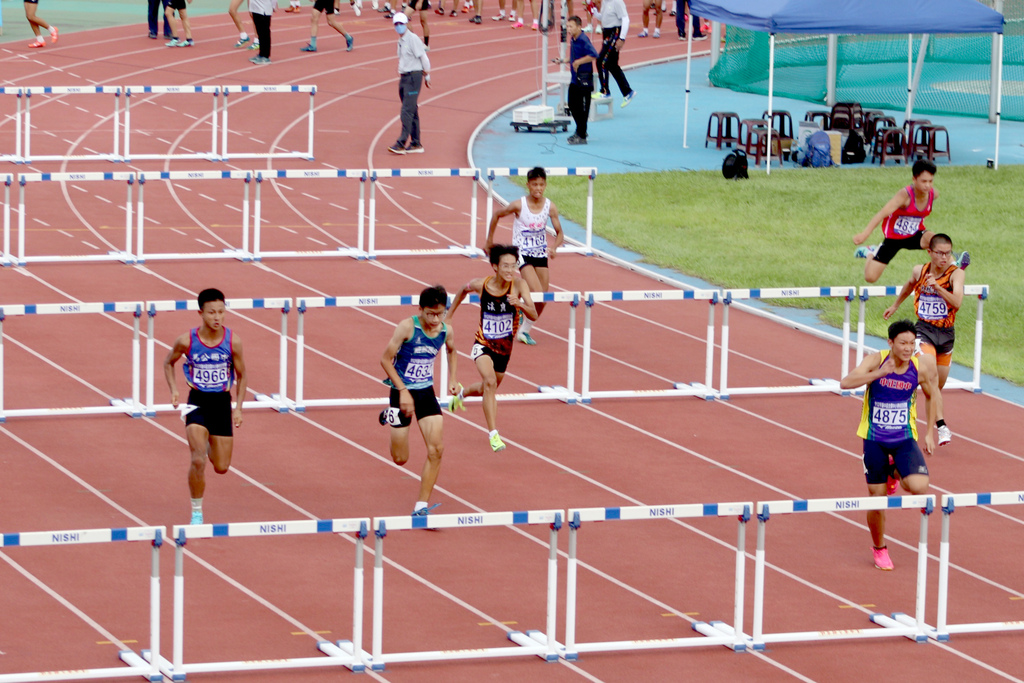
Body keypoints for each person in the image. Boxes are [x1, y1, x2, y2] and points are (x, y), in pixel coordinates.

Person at [839, 319, 941, 571]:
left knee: (919, 487)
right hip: (874, 440)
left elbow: (933, 394)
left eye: (911, 343)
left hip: (904, 439)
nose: (908, 348)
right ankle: (879, 548)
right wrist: (878, 374)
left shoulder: (919, 367)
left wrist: (930, 431)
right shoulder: (876, 360)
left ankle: (893, 472)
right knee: (877, 499)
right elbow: (846, 382)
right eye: (903, 343)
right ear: (891, 343)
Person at [163, 289, 248, 525]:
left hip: (221, 403)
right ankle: (197, 512)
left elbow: (242, 375)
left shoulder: (233, 341)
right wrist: (174, 390)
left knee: (221, 467)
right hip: (197, 402)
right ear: (200, 313)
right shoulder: (186, 341)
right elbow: (168, 363)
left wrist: (238, 407)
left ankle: (210, 439)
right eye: (212, 313)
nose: (217, 317)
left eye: (221, 312)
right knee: (198, 459)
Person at [446, 245, 538, 452]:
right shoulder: (481, 285)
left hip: (505, 349)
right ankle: (494, 434)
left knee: (489, 387)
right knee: (489, 382)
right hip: (483, 344)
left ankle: (462, 394)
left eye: (513, 266)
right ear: (494, 266)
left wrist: (520, 304)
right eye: (505, 266)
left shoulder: (519, 285)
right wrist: (450, 315)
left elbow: (534, 315)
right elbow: (463, 288)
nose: (509, 270)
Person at [380, 285, 460, 516]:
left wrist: (453, 378)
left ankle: (421, 506)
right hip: (401, 391)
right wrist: (403, 390)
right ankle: (389, 415)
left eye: (440, 313)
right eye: (430, 314)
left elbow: (453, 351)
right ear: (420, 310)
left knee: (436, 450)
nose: (435, 319)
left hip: (425, 392)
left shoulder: (446, 330)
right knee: (400, 459)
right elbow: (385, 360)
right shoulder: (407, 327)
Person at [883, 233, 964, 448]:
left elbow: (957, 303)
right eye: (940, 253)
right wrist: (896, 305)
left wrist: (937, 287)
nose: (944, 258)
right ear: (930, 252)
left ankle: (929, 429)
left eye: (948, 253)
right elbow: (909, 285)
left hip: (946, 334)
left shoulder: (956, 275)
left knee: (935, 388)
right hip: (924, 330)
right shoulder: (919, 270)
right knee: (932, 376)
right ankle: (942, 424)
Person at [853, 159, 970, 283]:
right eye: (924, 181)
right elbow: (882, 213)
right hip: (894, 238)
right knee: (870, 278)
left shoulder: (933, 194)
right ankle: (870, 253)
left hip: (915, 234)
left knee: (935, 239)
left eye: (931, 181)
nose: (928, 185)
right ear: (914, 179)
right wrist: (864, 234)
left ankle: (954, 264)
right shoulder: (904, 196)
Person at [485, 168, 563, 344]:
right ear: (528, 185)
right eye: (534, 184)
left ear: (545, 185)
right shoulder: (519, 205)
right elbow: (497, 214)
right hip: (522, 254)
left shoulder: (550, 206)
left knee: (543, 299)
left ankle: (524, 330)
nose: (538, 188)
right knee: (535, 292)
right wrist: (489, 240)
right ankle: (519, 307)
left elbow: (560, 233)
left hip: (540, 254)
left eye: (541, 184)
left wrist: (554, 247)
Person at [388, 13, 431, 154]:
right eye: (396, 24)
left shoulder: (412, 39)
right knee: (412, 110)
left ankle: (401, 142)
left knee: (406, 110)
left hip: (414, 77)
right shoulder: (400, 41)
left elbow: (423, 57)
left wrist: (427, 74)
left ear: (406, 24)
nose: (399, 26)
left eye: (401, 23)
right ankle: (416, 143)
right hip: (404, 78)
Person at [561, 15, 598, 144]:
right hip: (575, 79)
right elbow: (574, 56)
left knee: (583, 108)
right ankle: (580, 130)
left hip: (584, 78)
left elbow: (594, 54)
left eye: (571, 26)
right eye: (568, 26)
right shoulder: (573, 39)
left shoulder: (583, 39)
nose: (569, 29)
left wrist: (578, 62)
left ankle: (581, 134)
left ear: (579, 26)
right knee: (572, 104)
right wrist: (563, 60)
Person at [591, 0, 635, 107]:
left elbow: (626, 19)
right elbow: (606, 18)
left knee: (601, 61)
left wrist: (622, 38)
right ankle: (627, 92)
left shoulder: (617, 2)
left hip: (614, 33)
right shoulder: (605, 2)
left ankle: (605, 91)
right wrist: (596, 13)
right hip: (607, 33)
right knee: (612, 65)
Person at [249, 0, 274, 64]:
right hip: (256, 8)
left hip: (264, 10)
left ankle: (265, 56)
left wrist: (274, 5)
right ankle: (261, 54)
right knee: (260, 32)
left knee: (264, 32)